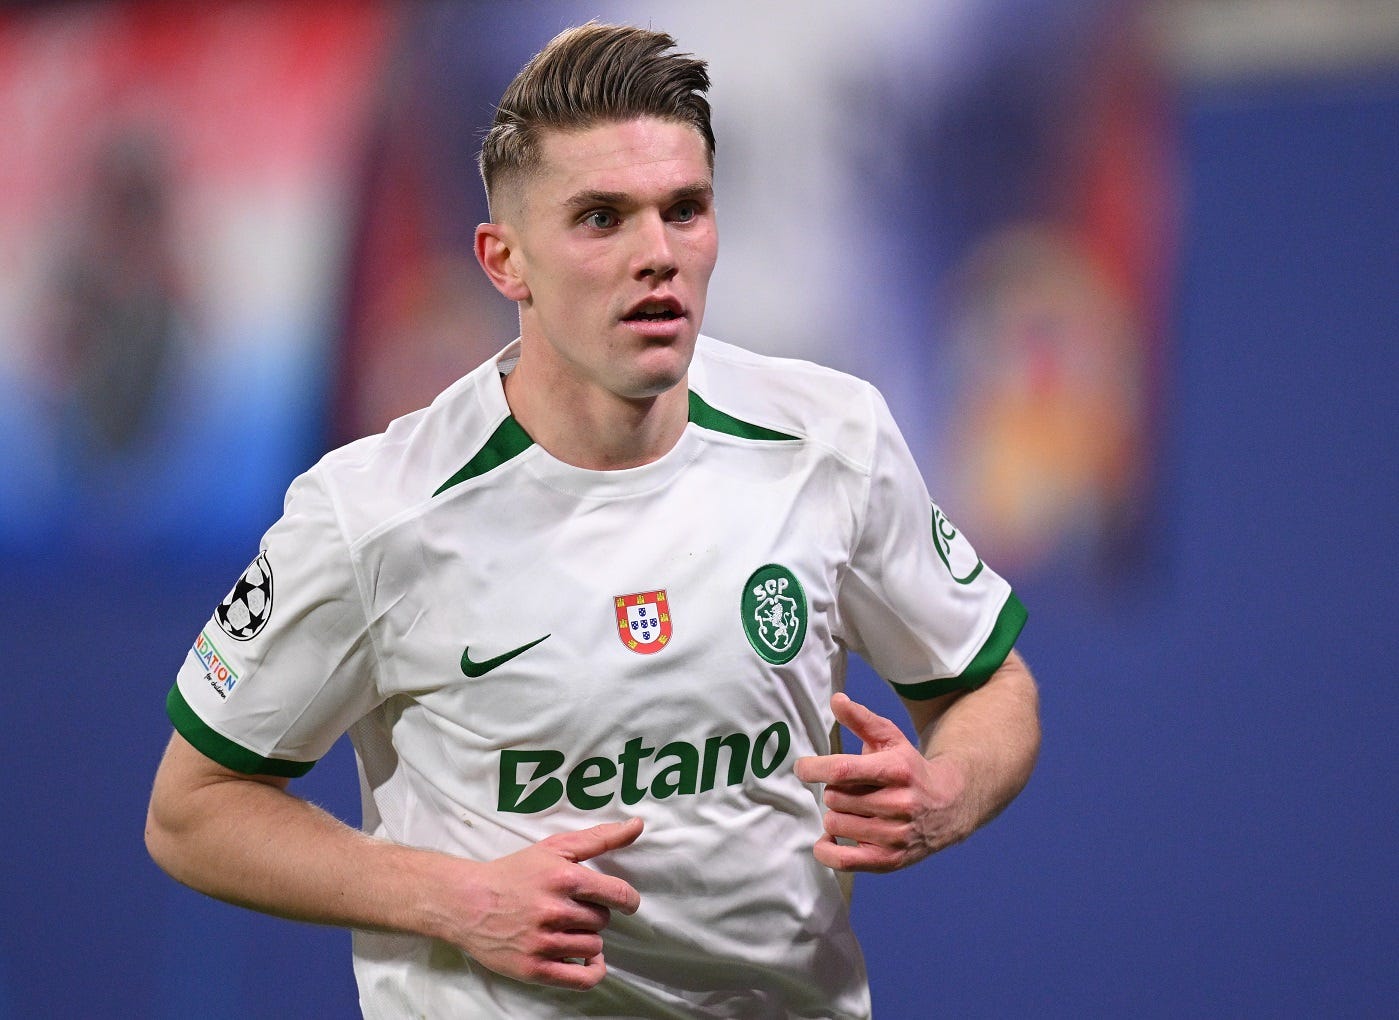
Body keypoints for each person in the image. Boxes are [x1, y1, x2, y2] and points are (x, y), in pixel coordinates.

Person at [145, 22, 1040, 1019]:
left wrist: (947, 793)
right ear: (505, 260)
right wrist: (455, 900)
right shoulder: (374, 515)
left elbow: (987, 686)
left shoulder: (831, 438)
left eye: (684, 210)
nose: (657, 254)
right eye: (601, 218)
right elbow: (192, 813)